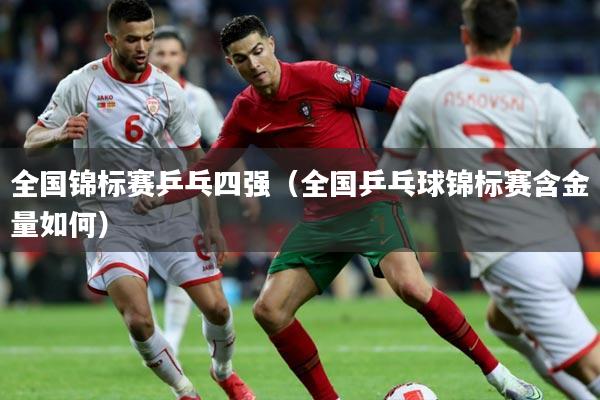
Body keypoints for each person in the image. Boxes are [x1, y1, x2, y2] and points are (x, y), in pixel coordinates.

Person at [134, 14, 543, 400]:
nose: (254, 64)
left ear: (271, 44)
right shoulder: (245, 111)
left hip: (370, 204)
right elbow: (208, 168)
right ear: (231, 63)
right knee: (270, 310)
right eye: (241, 59)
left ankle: (501, 377)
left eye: (258, 51)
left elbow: (398, 100)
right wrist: (162, 194)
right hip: (320, 221)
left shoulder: (321, 76)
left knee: (412, 289)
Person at [23, 1, 255, 399]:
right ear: (111, 39)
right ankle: (185, 391)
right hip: (110, 217)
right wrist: (59, 134)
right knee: (139, 320)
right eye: (132, 39)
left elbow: (197, 160)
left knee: (218, 308)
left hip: (168, 211)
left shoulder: (167, 90)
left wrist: (212, 223)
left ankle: (224, 372)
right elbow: (31, 141)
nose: (143, 47)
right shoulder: (81, 84)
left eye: (149, 37)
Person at [380, 0, 600, 398]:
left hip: (515, 259)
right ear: (516, 37)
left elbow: (389, 177)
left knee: (589, 364)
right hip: (562, 247)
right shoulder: (544, 97)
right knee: (503, 324)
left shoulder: (430, 92)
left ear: (465, 35)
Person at [148, 25, 260, 357]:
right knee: (136, 272)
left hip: (183, 199)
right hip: (134, 194)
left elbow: (227, 145)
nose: (166, 60)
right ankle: (151, 334)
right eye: (160, 53)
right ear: (148, 56)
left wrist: (246, 188)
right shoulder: (131, 96)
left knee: (182, 272)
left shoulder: (198, 99)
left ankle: (171, 341)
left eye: (172, 53)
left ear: (183, 57)